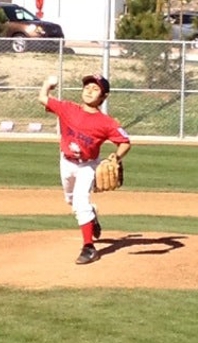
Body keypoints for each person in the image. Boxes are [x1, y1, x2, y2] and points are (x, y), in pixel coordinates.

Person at [38, 73, 131, 264]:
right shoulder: (68, 108)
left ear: (104, 97)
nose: (89, 91)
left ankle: (89, 248)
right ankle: (92, 215)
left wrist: (116, 157)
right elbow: (43, 98)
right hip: (66, 162)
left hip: (88, 166)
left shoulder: (107, 122)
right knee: (70, 200)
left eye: (95, 88)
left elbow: (125, 142)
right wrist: (47, 84)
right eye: (87, 87)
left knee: (80, 202)